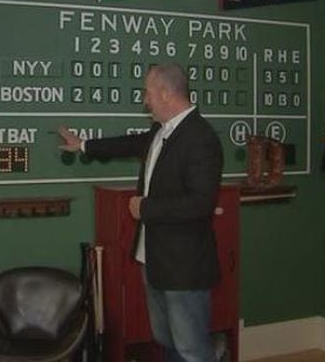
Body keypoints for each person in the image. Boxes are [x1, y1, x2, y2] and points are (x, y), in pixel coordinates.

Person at [58, 63, 223, 362]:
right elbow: (128, 144)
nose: (144, 100)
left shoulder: (201, 138)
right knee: (167, 341)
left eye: (147, 93)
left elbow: (200, 203)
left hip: (184, 268)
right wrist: (83, 145)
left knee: (192, 349)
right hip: (155, 260)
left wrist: (145, 207)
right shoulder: (161, 131)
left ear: (165, 93)